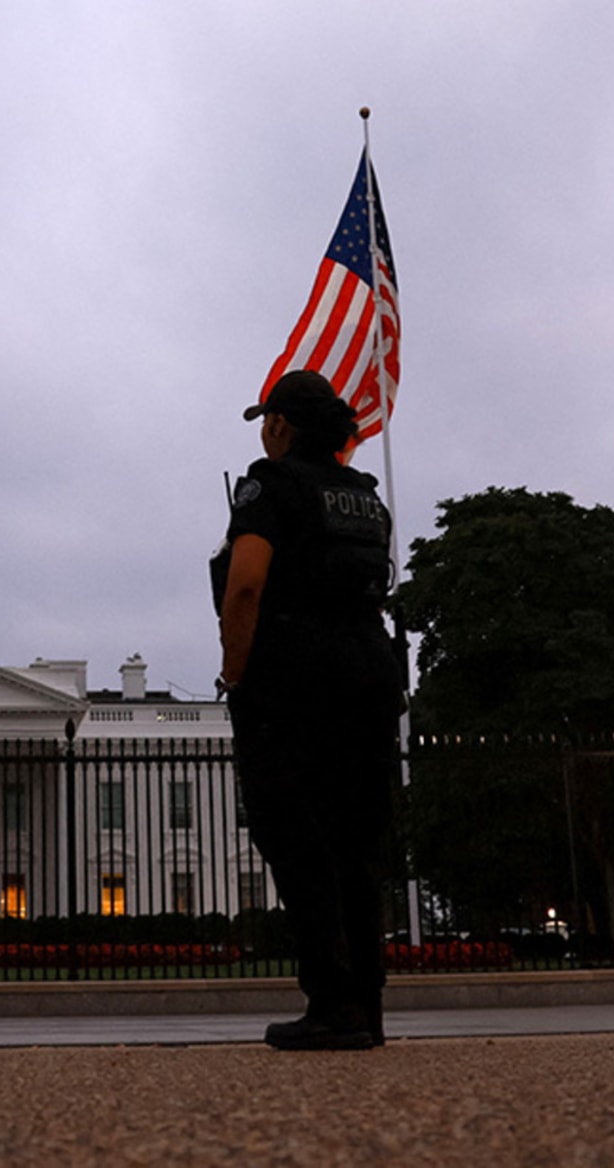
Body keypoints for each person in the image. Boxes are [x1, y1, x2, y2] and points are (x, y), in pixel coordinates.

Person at [212, 369, 401, 1050]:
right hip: (370, 670)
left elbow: (245, 587)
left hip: (294, 676)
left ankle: (331, 1000)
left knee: (293, 836)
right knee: (355, 842)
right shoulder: (366, 497)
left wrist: (235, 674)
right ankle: (367, 1006)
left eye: (267, 420)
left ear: (282, 427)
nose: (264, 431)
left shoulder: (269, 482)